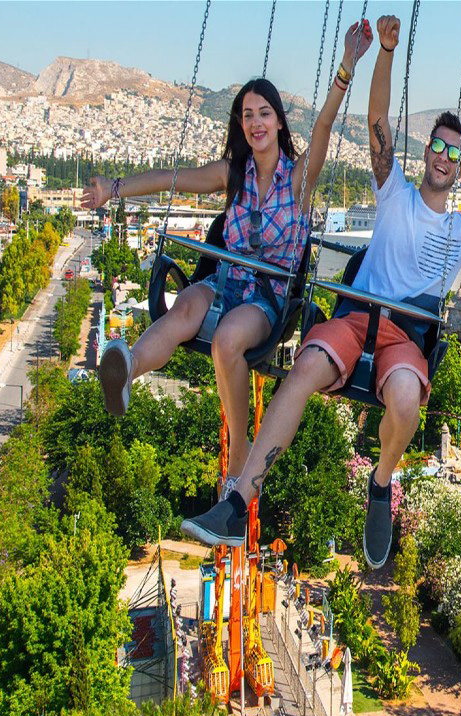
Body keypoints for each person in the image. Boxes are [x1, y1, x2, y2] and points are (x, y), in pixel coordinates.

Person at [180, 15, 461, 568]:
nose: (443, 158)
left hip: (405, 337)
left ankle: (381, 480)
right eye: (437, 148)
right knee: (302, 371)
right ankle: (239, 502)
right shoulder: (393, 190)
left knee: (403, 399)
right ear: (426, 153)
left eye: (453, 153)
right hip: (356, 320)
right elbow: (377, 118)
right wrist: (387, 54)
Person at [79, 22, 374, 480]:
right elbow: (170, 179)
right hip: (226, 282)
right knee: (183, 310)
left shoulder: (298, 181)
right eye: (247, 115)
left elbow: (324, 126)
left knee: (225, 339)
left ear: (278, 120)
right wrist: (112, 189)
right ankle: (126, 366)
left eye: (263, 113)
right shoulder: (231, 174)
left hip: (268, 299)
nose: (255, 123)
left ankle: (240, 456)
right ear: (241, 125)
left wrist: (346, 66)